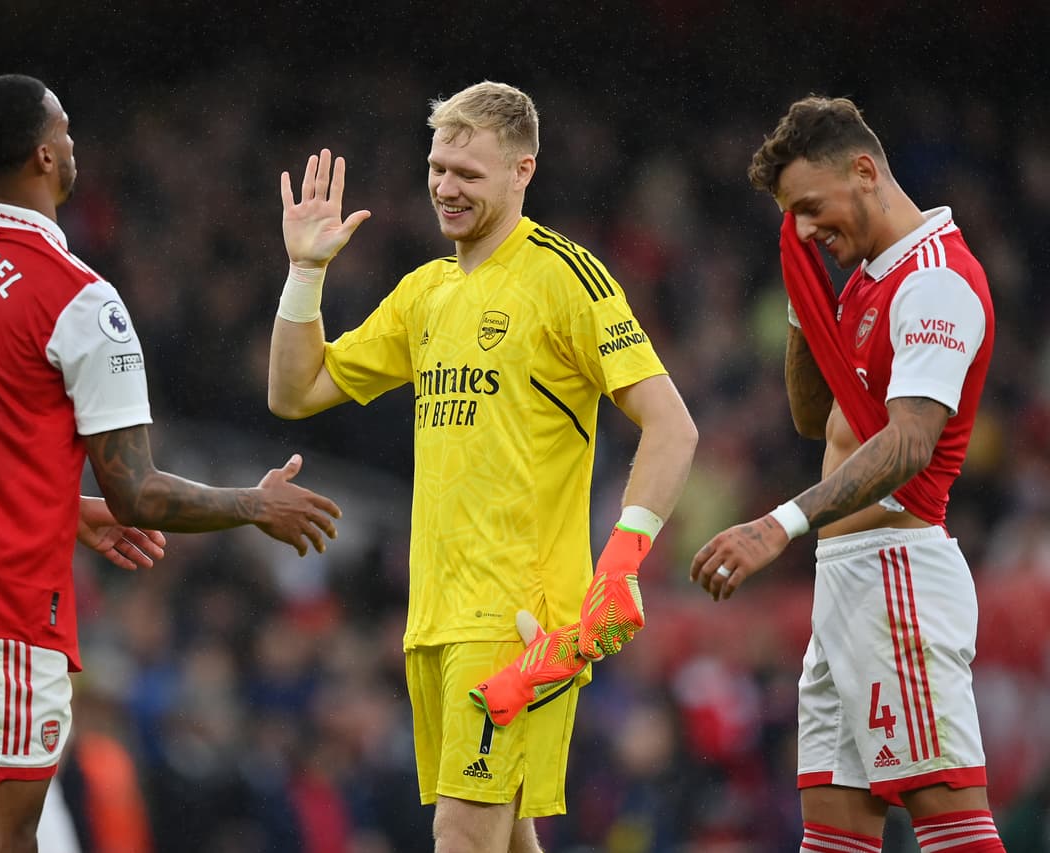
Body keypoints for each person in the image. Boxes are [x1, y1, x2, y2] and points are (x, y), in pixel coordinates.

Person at [0, 73, 342, 853]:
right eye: (66, 129)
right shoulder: (79, 297)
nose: (74, 143)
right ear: (45, 155)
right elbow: (136, 491)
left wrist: (64, 509)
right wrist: (254, 503)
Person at [268, 81, 697, 853]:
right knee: (506, 837)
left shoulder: (565, 277)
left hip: (518, 616)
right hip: (435, 615)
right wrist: (305, 272)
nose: (445, 187)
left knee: (463, 835)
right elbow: (295, 390)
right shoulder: (425, 293)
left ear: (522, 170)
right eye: (437, 168)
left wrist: (622, 560)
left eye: (468, 173)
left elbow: (672, 424)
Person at [690, 95, 1004, 852]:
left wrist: (780, 523)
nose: (804, 229)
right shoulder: (869, 277)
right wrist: (806, 303)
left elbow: (909, 444)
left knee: (954, 829)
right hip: (847, 583)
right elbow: (814, 418)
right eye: (791, 217)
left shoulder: (935, 281)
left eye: (810, 207)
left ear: (865, 172)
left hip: (898, 577)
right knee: (834, 839)